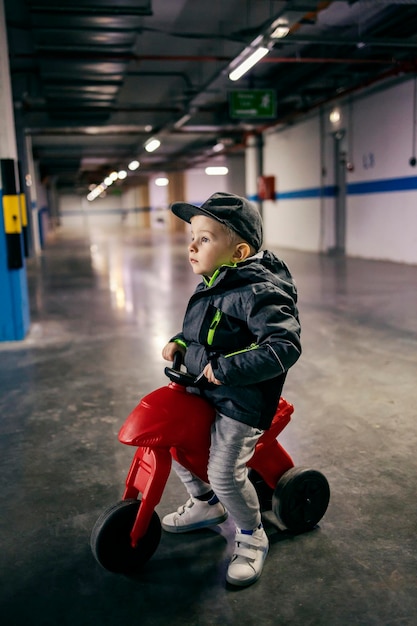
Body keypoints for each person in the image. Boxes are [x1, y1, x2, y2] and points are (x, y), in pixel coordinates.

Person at [161, 191, 301, 587]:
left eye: (204, 238)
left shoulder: (259, 291)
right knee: (174, 443)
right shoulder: (218, 279)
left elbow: (284, 346)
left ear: (238, 252)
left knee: (223, 474)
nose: (192, 245)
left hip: (242, 399)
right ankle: (206, 506)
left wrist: (224, 369)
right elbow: (210, 331)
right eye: (192, 235)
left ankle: (251, 535)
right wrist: (183, 343)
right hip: (208, 388)